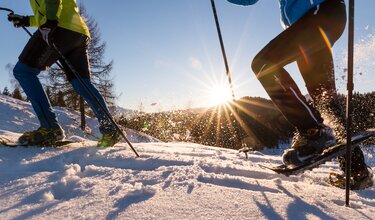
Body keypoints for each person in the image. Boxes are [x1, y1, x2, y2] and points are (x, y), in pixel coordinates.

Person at [227, 0, 372, 189]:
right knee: (324, 100)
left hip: (321, 13)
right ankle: (357, 170)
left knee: (264, 64)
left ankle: (313, 132)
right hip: (310, 22)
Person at [7, 0, 120, 147]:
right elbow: (47, 11)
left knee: (24, 71)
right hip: (78, 32)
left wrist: (51, 21)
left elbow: (52, 4)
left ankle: (50, 129)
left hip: (59, 28)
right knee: (81, 83)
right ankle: (110, 129)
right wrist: (26, 20)